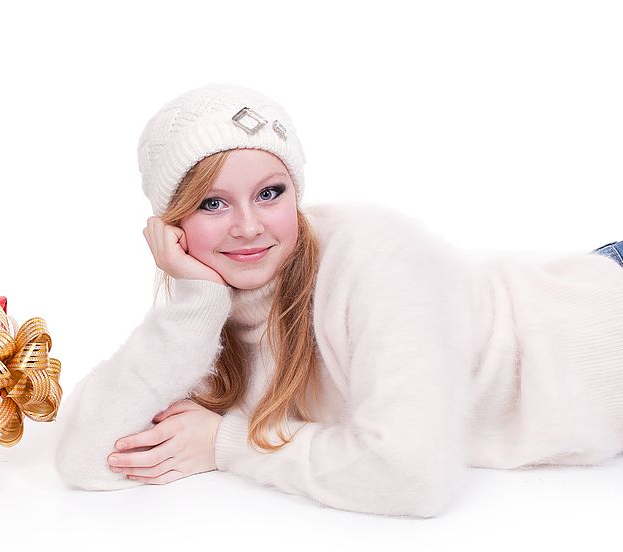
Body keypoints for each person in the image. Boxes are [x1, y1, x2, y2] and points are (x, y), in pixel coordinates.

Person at [54, 83, 623, 518]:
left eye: (269, 193)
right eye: (212, 203)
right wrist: (191, 303)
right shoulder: (210, 311)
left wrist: (227, 444)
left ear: (296, 193)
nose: (249, 227)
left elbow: (414, 476)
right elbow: (86, 457)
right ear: (171, 226)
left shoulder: (376, 258)